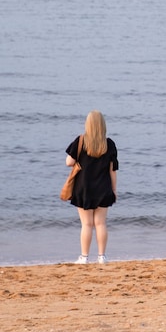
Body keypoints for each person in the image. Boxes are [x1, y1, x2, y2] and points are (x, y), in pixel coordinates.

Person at [65, 110, 119, 263]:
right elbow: (112, 170)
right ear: (103, 125)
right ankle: (102, 256)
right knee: (101, 223)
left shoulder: (81, 141)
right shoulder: (109, 144)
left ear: (88, 125)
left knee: (87, 224)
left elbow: (69, 162)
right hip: (103, 188)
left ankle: (84, 257)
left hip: (84, 189)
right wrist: (114, 190)